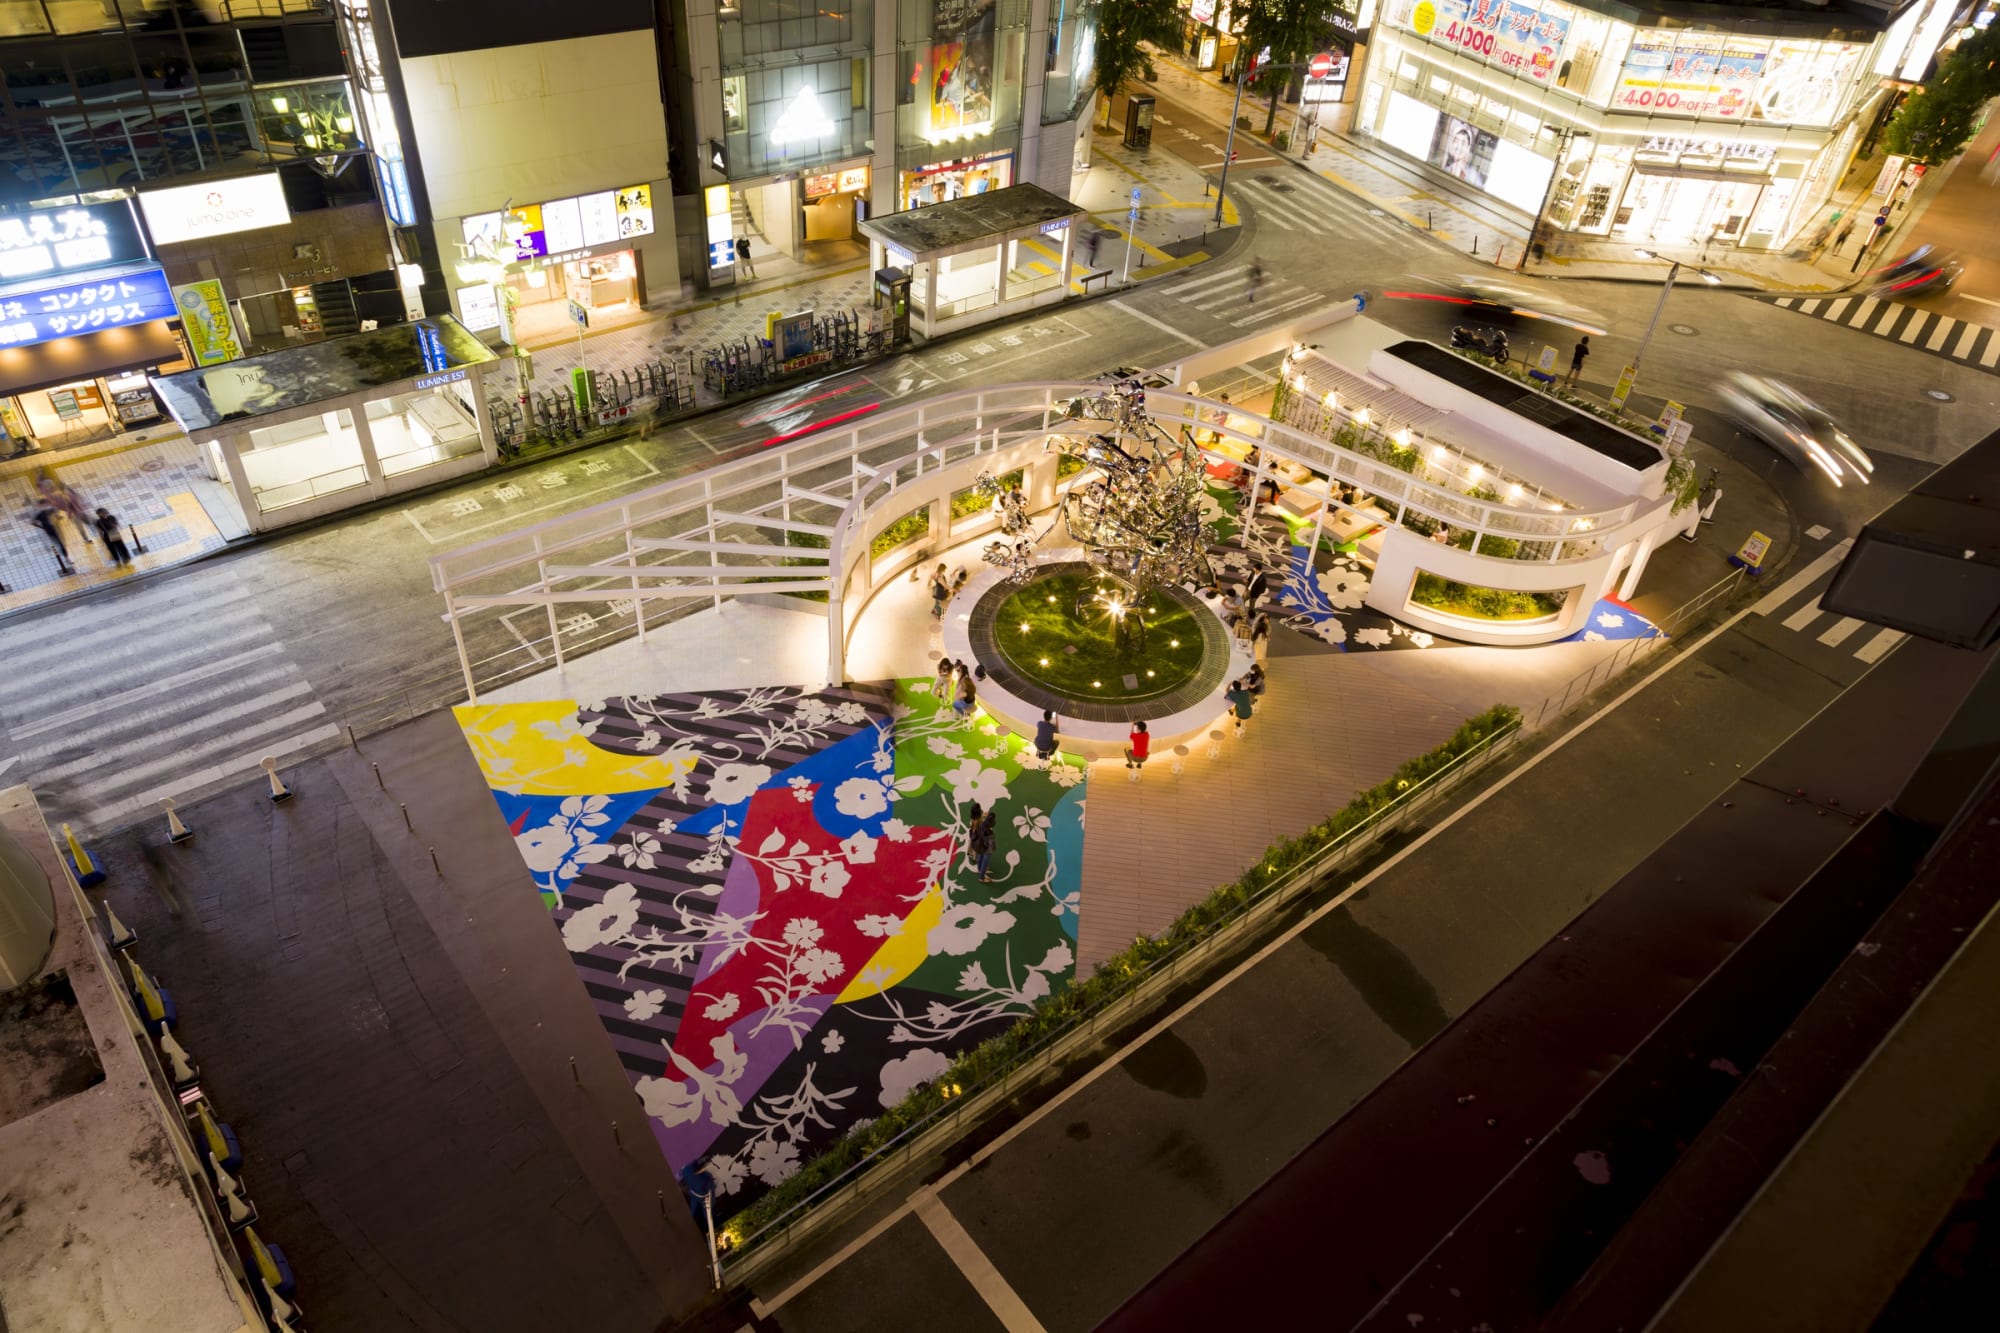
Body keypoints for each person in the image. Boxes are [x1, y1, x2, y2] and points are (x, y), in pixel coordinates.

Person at [29, 500, 72, 574]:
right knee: (56, 543)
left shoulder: (45, 510)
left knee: (58, 542)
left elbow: (32, 522)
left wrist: (56, 516)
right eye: (43, 504)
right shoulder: (41, 513)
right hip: (51, 530)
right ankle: (63, 556)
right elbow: (32, 522)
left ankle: (64, 556)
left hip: (52, 529)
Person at [968, 804, 998, 882]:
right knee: (986, 859)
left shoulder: (976, 821)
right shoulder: (983, 826)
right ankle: (982, 877)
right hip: (985, 844)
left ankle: (979, 868)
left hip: (978, 844)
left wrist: (984, 817)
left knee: (980, 855)